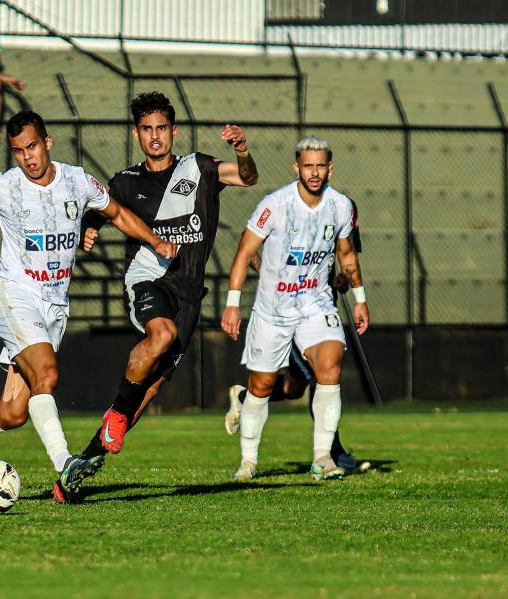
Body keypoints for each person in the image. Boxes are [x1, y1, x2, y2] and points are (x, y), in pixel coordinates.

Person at [0, 110, 176, 504]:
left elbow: (116, 212)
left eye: (31, 146)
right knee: (47, 374)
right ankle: (65, 463)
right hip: (15, 293)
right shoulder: (4, 186)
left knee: (12, 412)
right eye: (17, 151)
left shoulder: (77, 181)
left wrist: (155, 241)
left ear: (47, 142)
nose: (27, 157)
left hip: (54, 304)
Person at [60, 91, 259, 490]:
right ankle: (116, 415)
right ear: (137, 135)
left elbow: (248, 177)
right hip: (147, 277)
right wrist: (91, 228)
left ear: (174, 131)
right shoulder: (125, 182)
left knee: (148, 389)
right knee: (161, 334)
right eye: (147, 129)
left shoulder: (199, 168)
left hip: (189, 294)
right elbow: (99, 210)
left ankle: (82, 465)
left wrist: (243, 150)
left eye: (161, 129)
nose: (155, 137)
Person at [220, 136, 370, 481]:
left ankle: (323, 459)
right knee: (261, 386)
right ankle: (248, 462)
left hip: (315, 304)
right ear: (297, 168)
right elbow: (244, 253)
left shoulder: (341, 206)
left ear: (329, 167)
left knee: (329, 367)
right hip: (273, 309)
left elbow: (347, 255)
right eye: (308, 166)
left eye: (320, 166)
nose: (314, 172)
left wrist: (360, 298)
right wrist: (233, 305)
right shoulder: (274, 205)